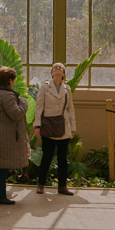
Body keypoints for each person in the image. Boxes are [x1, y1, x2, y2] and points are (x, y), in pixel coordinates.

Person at [0, 67, 29, 205]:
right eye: (14, 80)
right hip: (6, 136)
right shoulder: (7, 95)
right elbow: (16, 114)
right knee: (3, 166)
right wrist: (23, 102)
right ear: (10, 80)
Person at [34, 62, 77, 196]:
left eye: (61, 68)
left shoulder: (67, 89)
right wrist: (37, 126)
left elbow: (70, 108)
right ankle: (41, 184)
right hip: (48, 126)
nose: (58, 70)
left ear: (64, 74)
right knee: (46, 156)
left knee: (62, 158)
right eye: (55, 68)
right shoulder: (44, 87)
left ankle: (62, 186)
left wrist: (73, 127)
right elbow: (39, 106)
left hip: (63, 126)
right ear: (51, 73)